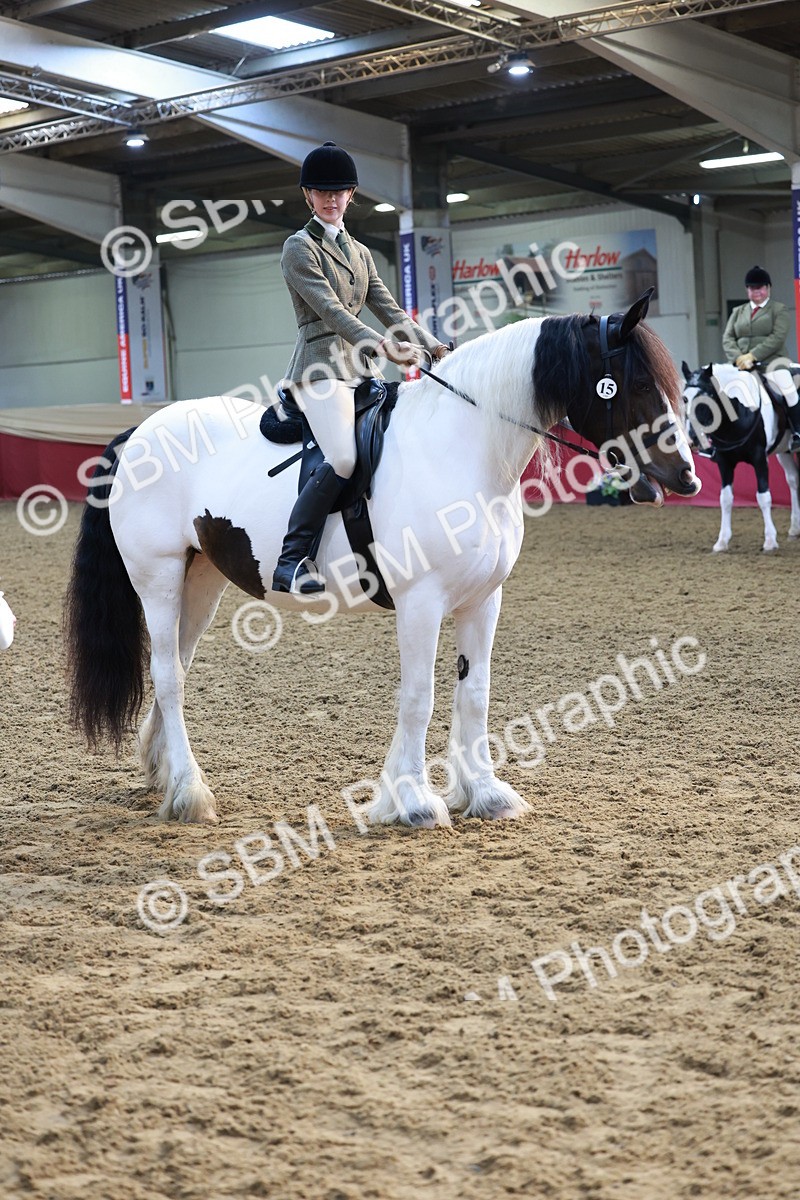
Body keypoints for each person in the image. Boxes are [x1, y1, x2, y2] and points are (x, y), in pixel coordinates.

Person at [273, 141, 451, 594]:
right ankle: (292, 560)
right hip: (318, 369)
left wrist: (436, 348)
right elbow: (333, 313)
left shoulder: (360, 252)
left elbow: (391, 310)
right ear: (308, 196)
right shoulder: (298, 248)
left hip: (360, 371)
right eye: (321, 192)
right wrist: (381, 346)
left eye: (340, 192)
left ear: (351, 195)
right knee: (344, 457)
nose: (331, 200)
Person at [722, 265, 800, 452]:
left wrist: (753, 355)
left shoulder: (779, 309)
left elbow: (777, 338)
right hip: (741, 365)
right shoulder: (738, 312)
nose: (756, 291)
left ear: (768, 288)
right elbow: (727, 338)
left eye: (761, 287)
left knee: (788, 388)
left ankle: (797, 432)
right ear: (747, 290)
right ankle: (718, 439)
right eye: (752, 288)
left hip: (772, 363)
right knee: (718, 390)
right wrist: (739, 358)